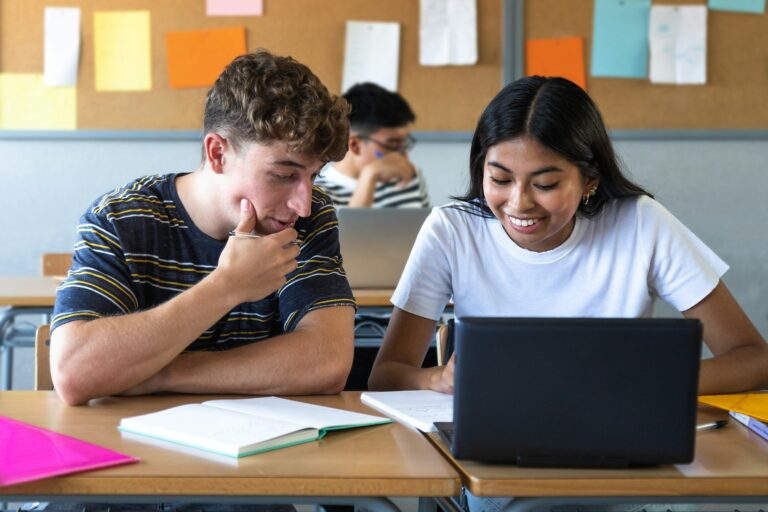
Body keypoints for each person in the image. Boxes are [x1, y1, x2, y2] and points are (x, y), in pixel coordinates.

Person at [368, 75, 768, 512]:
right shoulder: (452, 229)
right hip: (502, 474)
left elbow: (753, 357)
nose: (519, 203)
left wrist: (658, 386)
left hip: (628, 467)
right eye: (499, 178)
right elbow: (387, 374)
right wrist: (434, 378)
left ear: (590, 180)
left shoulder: (642, 224)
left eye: (545, 184)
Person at [50, 50, 356, 407]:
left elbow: (328, 361)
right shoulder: (121, 219)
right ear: (217, 154)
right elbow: (74, 373)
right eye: (284, 176)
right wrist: (228, 285)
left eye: (313, 175)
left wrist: (161, 373)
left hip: (265, 452)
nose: (302, 203)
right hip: (137, 450)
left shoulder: (311, 217)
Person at [314, 82, 431, 208]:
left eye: (405, 144)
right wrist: (369, 176)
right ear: (355, 145)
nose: (405, 157)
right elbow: (351, 228)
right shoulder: (316, 195)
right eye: (393, 145)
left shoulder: (409, 176)